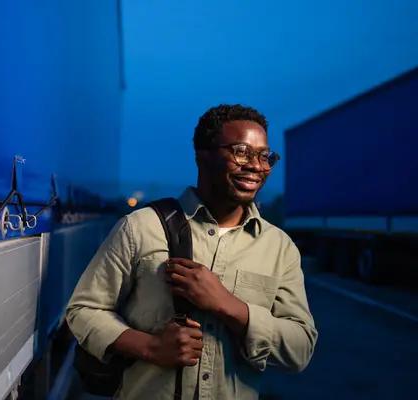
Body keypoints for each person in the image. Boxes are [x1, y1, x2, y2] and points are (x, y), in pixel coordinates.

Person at [66, 104, 318, 400]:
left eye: (265, 156)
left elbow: (300, 349)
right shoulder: (140, 228)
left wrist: (229, 306)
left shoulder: (279, 247)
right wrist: (150, 347)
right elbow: (82, 310)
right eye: (241, 151)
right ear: (203, 155)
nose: (256, 166)